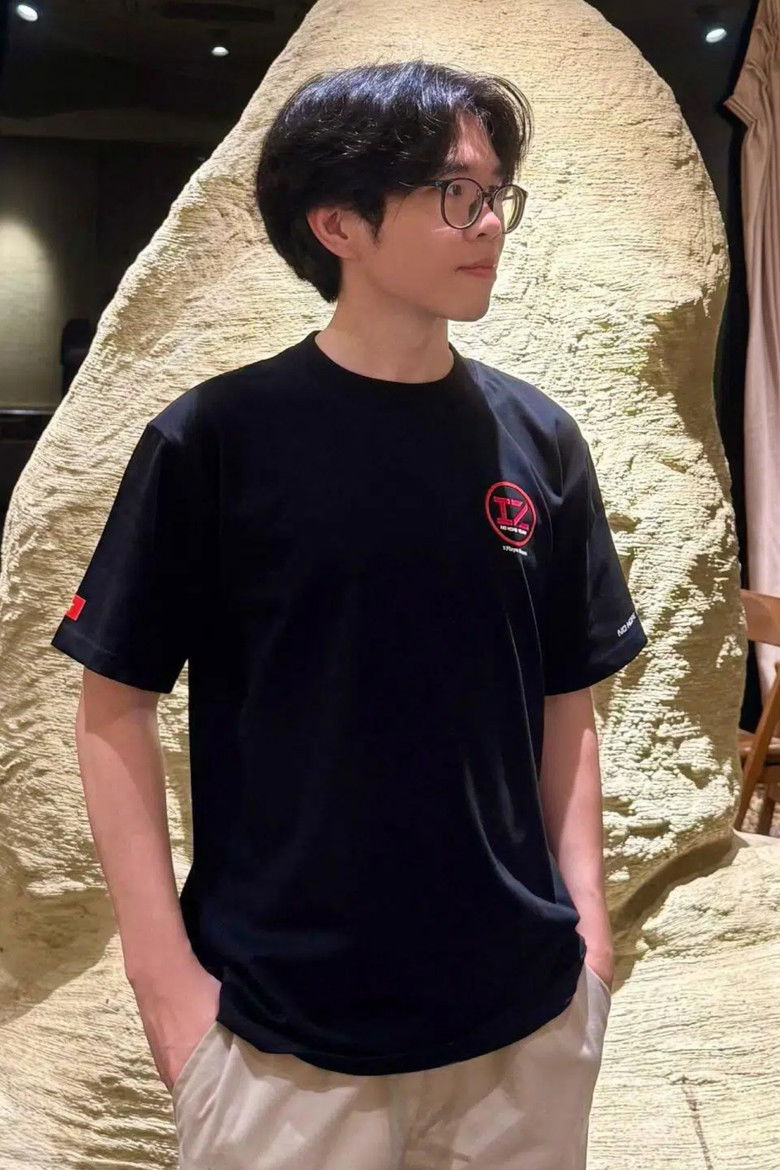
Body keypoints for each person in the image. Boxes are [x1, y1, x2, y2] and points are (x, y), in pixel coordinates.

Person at [50, 58, 648, 1170]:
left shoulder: (541, 441)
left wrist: (590, 944)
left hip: (525, 1019)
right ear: (338, 223)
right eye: (456, 194)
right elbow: (111, 705)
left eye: (497, 195)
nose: (489, 224)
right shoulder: (215, 440)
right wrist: (165, 985)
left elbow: (569, 703)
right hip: (283, 1036)